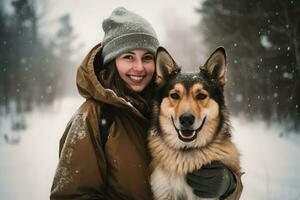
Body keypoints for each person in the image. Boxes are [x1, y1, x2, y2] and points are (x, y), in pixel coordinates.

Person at [50, 7, 243, 200]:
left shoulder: (165, 102)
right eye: (128, 57)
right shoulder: (92, 116)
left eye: (147, 58)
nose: (139, 68)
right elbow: (70, 196)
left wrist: (228, 186)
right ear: (113, 61)